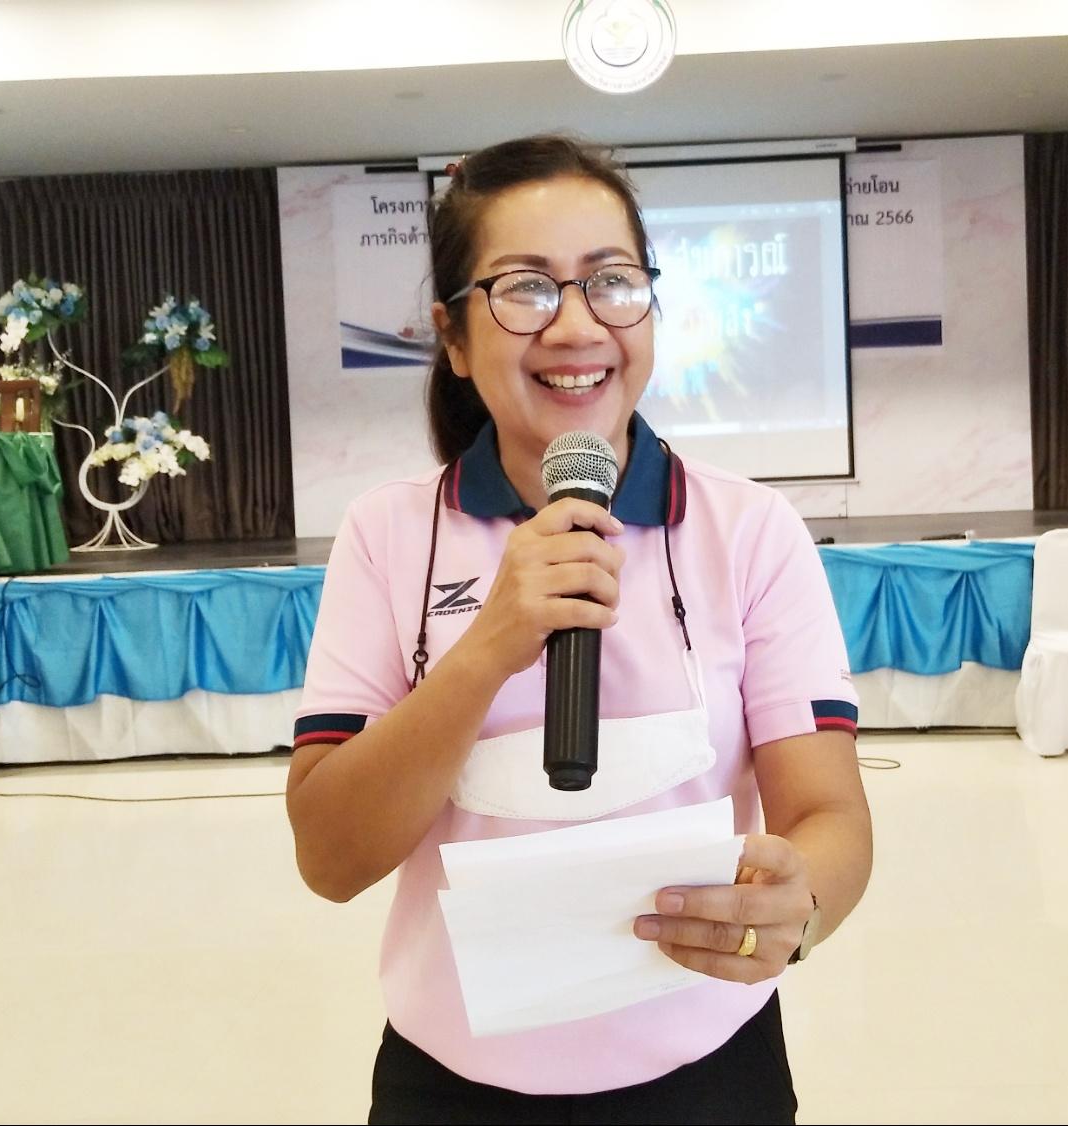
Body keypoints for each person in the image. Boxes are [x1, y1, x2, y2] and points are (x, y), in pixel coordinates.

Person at [284, 135, 873, 1123]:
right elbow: (330, 858)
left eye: (611, 282)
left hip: (710, 1075)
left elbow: (830, 814)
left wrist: (800, 902)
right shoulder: (388, 535)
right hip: (451, 1085)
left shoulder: (749, 529)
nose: (575, 324)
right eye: (524, 288)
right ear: (454, 337)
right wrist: (487, 648)